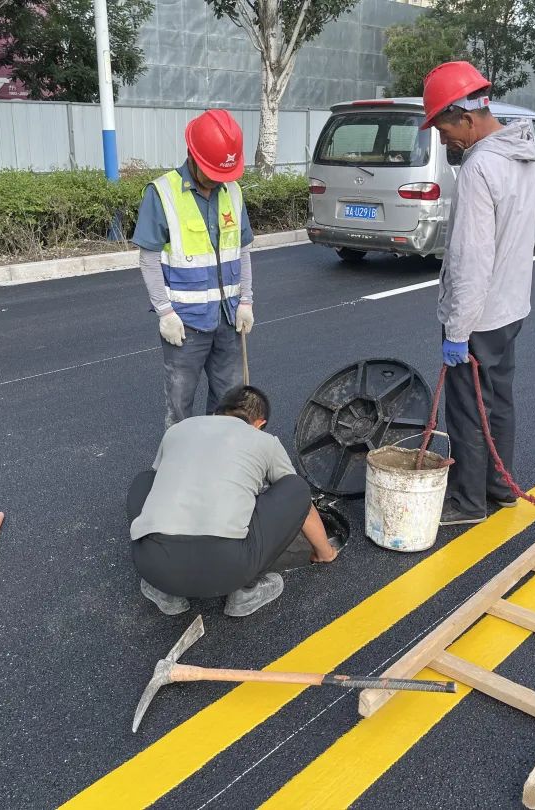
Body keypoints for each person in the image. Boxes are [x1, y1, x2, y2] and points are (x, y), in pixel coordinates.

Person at [420, 61, 535, 526]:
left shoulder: (479, 168)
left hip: (480, 314)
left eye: (443, 129)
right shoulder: (521, 154)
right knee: (499, 400)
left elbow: (471, 259)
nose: (443, 139)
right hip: (512, 306)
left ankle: (468, 501)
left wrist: (457, 330)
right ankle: (500, 487)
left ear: (466, 118)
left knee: (468, 409)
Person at [127, 386, 338, 617]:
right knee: (296, 487)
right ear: (260, 423)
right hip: (229, 571)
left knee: (145, 480)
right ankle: (245, 593)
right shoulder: (264, 441)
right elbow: (299, 501)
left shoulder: (177, 430)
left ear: (217, 412)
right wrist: (324, 553)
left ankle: (165, 593)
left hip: (153, 567)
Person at [132, 109, 257, 429]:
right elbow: (148, 259)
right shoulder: (162, 193)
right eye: (212, 172)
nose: (218, 180)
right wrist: (165, 313)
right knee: (180, 406)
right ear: (193, 155)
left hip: (228, 319)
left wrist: (246, 300)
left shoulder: (233, 190)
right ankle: (180, 458)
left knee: (229, 402)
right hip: (185, 323)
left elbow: (242, 250)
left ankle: (218, 457)